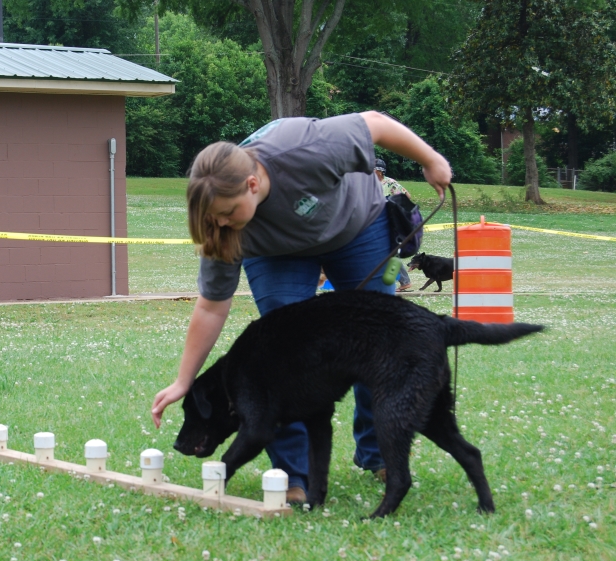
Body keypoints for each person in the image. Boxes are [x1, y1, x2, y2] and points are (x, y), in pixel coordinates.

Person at [151, 111, 451, 503]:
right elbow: (211, 308)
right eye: (214, 219)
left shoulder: (305, 149)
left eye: (228, 213)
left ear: (253, 184)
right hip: (275, 253)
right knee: (281, 356)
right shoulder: (219, 226)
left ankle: (378, 452)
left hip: (355, 224)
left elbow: (375, 123)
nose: (221, 224)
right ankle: (295, 475)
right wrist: (183, 379)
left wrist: (430, 159)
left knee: (375, 340)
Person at [374, 158, 413, 292]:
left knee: (389, 253)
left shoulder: (390, 183)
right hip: (373, 222)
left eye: (374, 170)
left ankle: (404, 281)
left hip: (388, 222)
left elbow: (407, 195)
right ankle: (403, 281)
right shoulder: (368, 184)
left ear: (380, 171)